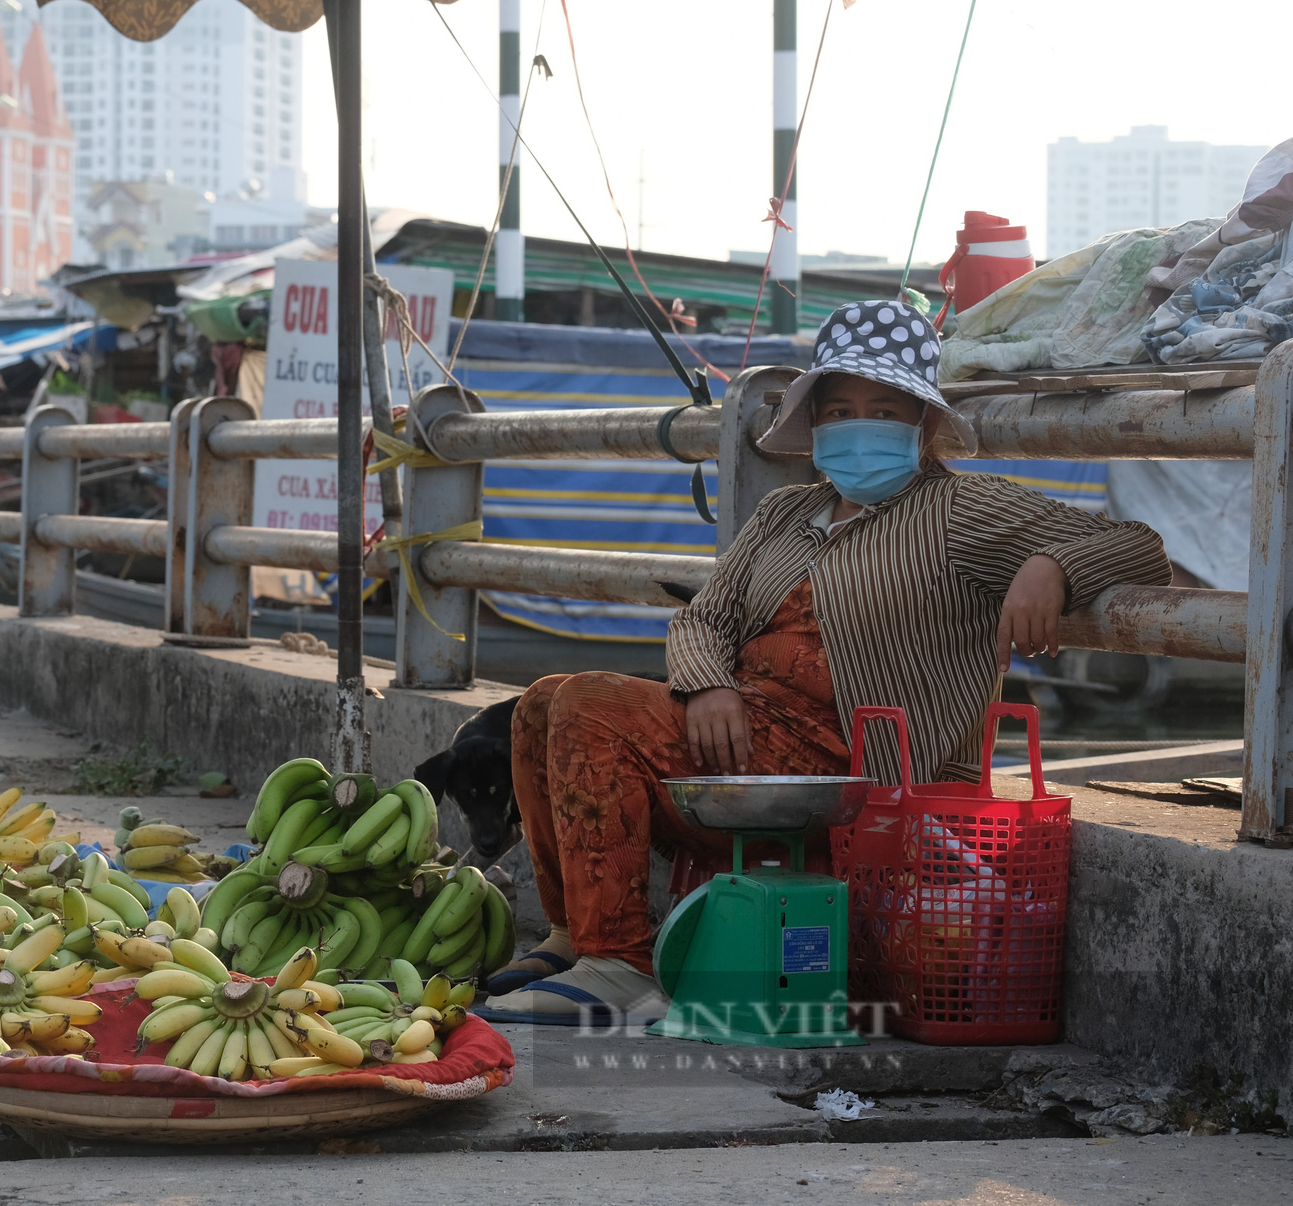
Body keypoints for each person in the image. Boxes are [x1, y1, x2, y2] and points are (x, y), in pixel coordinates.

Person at [478, 301, 1171, 1026]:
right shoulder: (783, 511)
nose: (857, 422)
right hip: (746, 744)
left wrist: (1050, 567)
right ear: (815, 425)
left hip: (860, 770)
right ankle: (573, 937)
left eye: (883, 406)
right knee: (543, 700)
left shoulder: (961, 508)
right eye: (840, 407)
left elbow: (1136, 543)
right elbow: (704, 615)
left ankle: (621, 964)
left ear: (924, 424)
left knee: (590, 699)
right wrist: (708, 681)